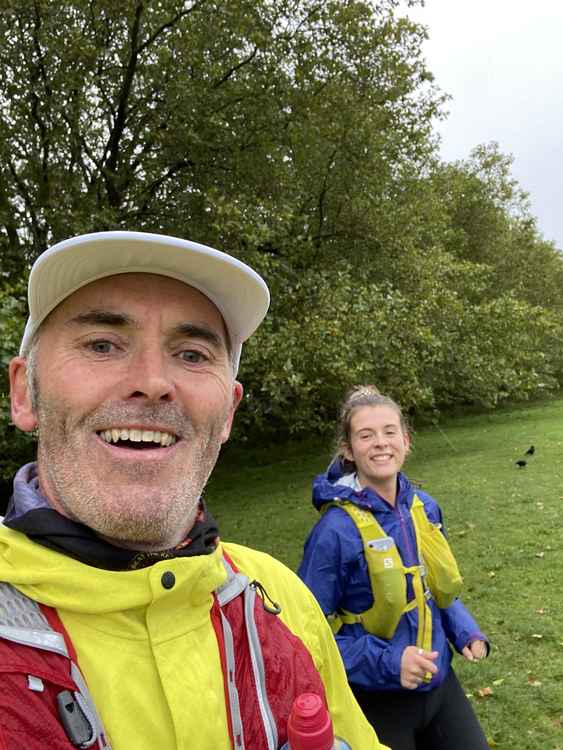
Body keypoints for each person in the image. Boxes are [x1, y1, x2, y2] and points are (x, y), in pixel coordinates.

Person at [0, 233, 386, 750]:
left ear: (227, 412)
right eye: (102, 345)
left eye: (192, 353)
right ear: (25, 393)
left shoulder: (278, 595)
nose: (154, 381)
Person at [298, 385, 490, 750]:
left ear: (406, 439)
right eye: (366, 435)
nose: (381, 443)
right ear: (348, 450)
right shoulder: (334, 532)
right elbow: (307, 634)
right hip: (377, 699)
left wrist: (466, 632)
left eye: (389, 432)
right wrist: (389, 661)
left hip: (439, 682)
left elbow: (432, 587)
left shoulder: (425, 508)